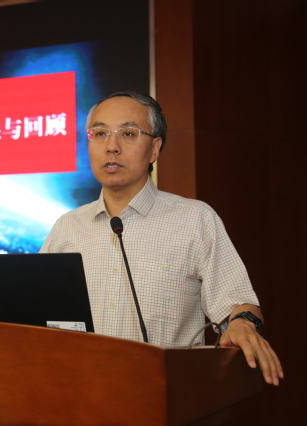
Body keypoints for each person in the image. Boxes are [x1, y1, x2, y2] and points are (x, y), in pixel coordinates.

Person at [40, 91, 283, 386]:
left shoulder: (194, 219)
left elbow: (239, 304)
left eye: (128, 133)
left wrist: (243, 324)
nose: (112, 146)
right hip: (77, 392)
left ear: (154, 148)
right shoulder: (67, 227)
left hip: (164, 393)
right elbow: (36, 317)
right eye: (100, 134)